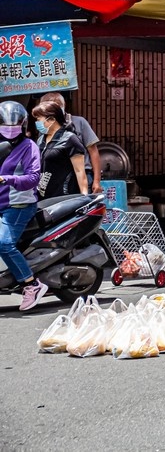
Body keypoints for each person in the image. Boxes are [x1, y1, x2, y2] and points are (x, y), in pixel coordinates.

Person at [0, 101, 46, 311]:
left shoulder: (29, 147)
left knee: (4, 244)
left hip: (18, 205)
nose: (9, 128)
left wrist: (7, 179)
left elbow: (33, 178)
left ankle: (31, 284)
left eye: (14, 124)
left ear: (24, 123)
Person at [40, 93, 101, 194]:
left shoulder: (79, 122)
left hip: (83, 174)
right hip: (56, 177)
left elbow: (93, 152)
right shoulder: (44, 126)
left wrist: (97, 181)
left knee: (82, 206)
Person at [32, 101, 88, 200]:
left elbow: (80, 171)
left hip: (63, 197)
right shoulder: (41, 140)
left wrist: (84, 197)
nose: (37, 123)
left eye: (39, 119)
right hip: (43, 196)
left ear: (52, 119)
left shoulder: (70, 139)